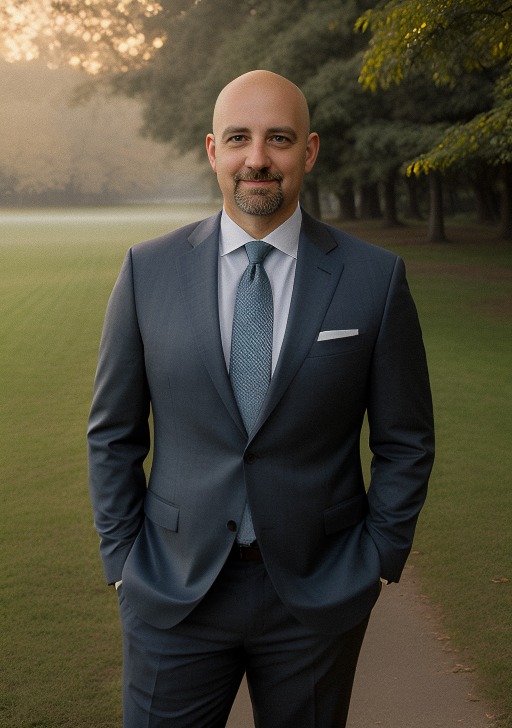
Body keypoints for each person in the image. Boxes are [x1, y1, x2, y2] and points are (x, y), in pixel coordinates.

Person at [88, 70, 434, 728]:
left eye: (279, 138)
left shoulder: (375, 279)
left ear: (309, 151)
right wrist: (123, 562)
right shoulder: (147, 270)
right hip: (173, 591)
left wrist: (377, 560)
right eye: (240, 138)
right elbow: (112, 433)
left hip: (317, 593)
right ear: (214, 150)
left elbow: (406, 439)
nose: (258, 158)